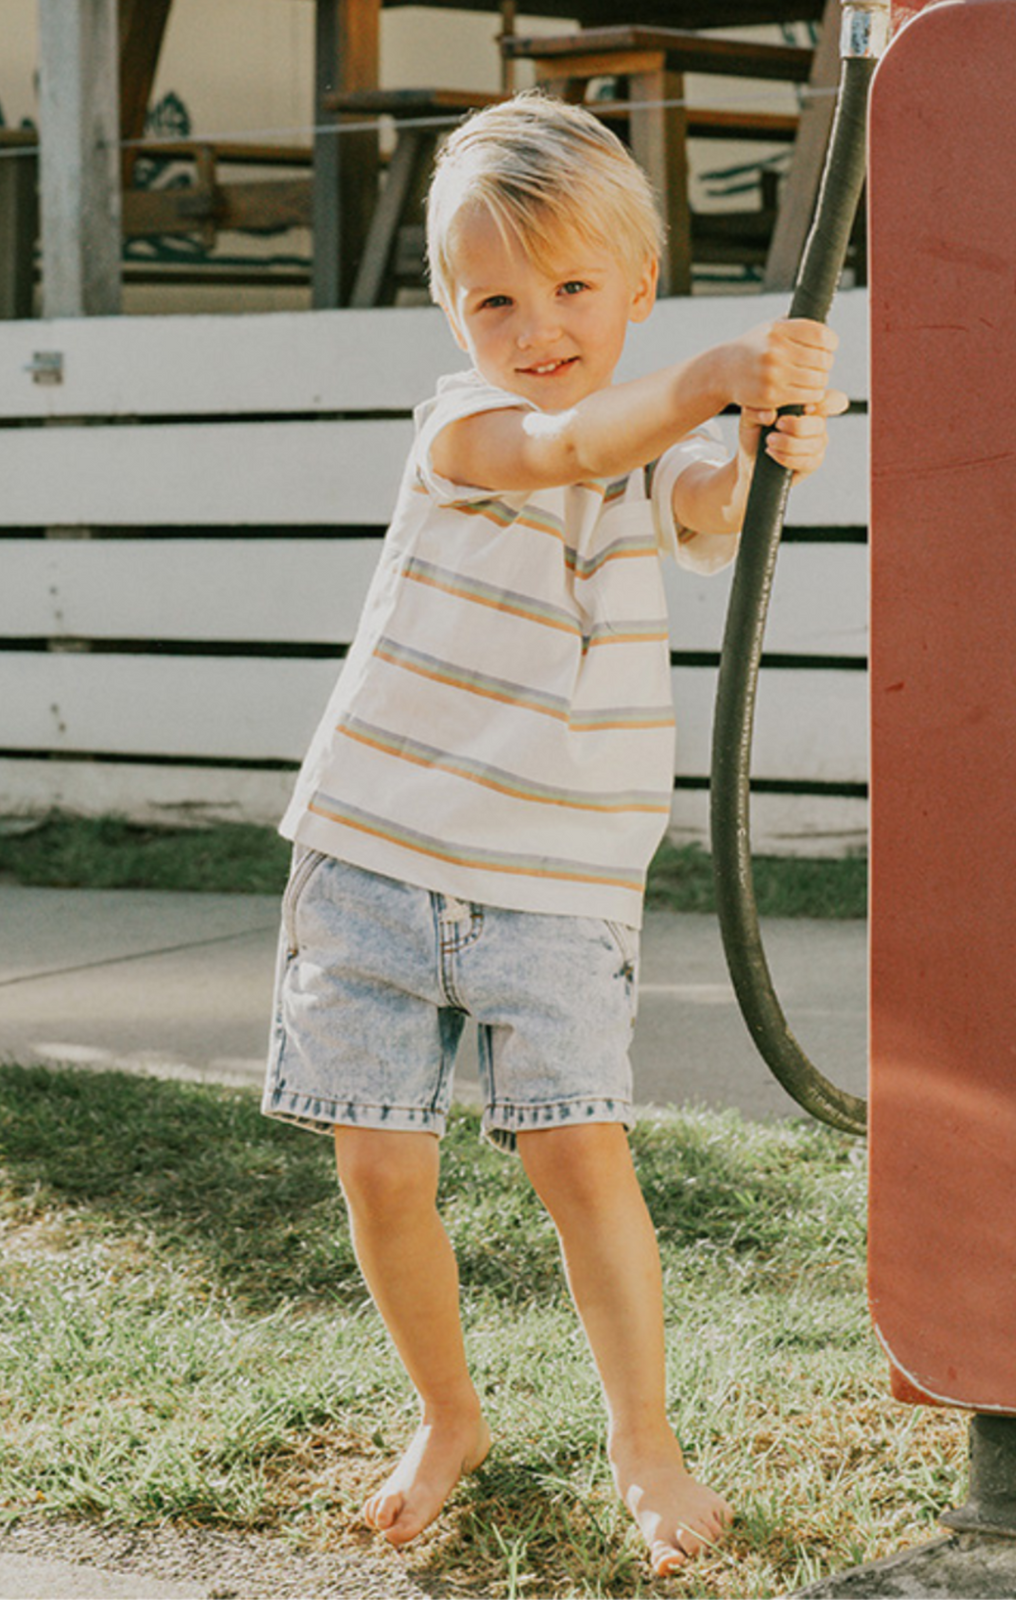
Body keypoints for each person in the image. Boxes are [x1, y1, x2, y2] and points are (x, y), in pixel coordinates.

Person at [263, 91, 844, 1576]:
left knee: (585, 1160)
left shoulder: (647, 457)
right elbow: (560, 443)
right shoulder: (468, 424)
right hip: (381, 856)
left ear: (635, 288)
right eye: (496, 298)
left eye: (575, 287)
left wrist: (765, 436)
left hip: (559, 885)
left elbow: (700, 496)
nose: (538, 324)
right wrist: (710, 373)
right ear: (453, 314)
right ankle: (446, 1411)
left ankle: (642, 1434)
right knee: (382, 1166)